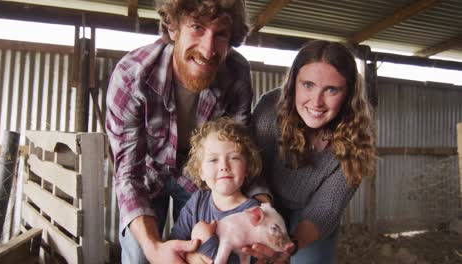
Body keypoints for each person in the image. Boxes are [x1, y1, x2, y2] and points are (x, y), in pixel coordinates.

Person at [105, 1, 253, 263]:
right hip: (147, 174)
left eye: (220, 34)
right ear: (172, 27)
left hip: (201, 178)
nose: (208, 51)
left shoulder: (237, 74)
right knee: (140, 255)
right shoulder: (131, 77)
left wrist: (254, 212)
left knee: (204, 252)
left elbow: (239, 150)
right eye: (197, 27)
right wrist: (153, 247)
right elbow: (128, 174)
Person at [250, 40, 377, 264]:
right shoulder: (270, 109)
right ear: (293, 84)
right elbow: (252, 169)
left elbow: (327, 207)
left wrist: (290, 246)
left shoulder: (355, 141)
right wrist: (267, 215)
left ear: (348, 94)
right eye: (308, 85)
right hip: (260, 202)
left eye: (331, 90)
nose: (316, 102)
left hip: (309, 212)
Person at [168, 117, 263, 264]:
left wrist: (207, 241)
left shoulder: (254, 212)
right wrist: (190, 258)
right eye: (213, 160)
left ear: (247, 168)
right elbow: (174, 244)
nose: (224, 166)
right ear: (201, 172)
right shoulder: (197, 202)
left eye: (234, 158)